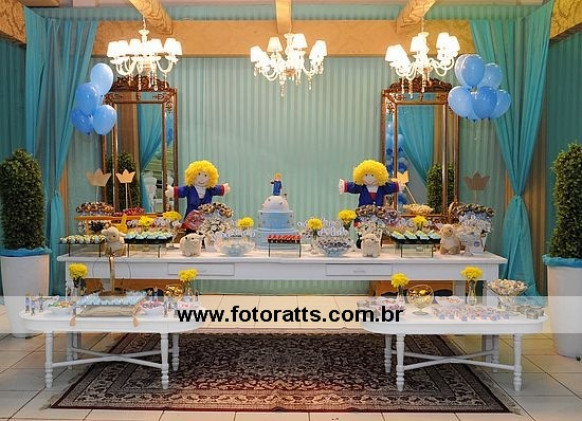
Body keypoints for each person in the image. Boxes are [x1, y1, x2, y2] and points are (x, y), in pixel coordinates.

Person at [165, 160, 230, 218]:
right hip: (191, 217)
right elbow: (181, 191)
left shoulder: (210, 189)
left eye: (205, 175)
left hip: (206, 217)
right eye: (198, 174)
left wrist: (223, 188)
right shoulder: (189, 188)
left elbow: (218, 189)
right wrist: (173, 191)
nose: (201, 179)